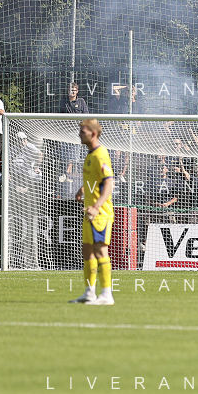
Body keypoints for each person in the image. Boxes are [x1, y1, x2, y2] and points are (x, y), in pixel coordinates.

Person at [70, 118, 115, 305]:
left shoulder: (100, 154)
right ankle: (89, 293)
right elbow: (96, 181)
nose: (80, 134)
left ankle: (107, 294)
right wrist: (83, 190)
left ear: (93, 134)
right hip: (89, 212)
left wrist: (96, 207)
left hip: (100, 213)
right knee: (87, 251)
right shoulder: (90, 155)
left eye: (83, 131)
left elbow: (109, 184)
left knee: (100, 251)